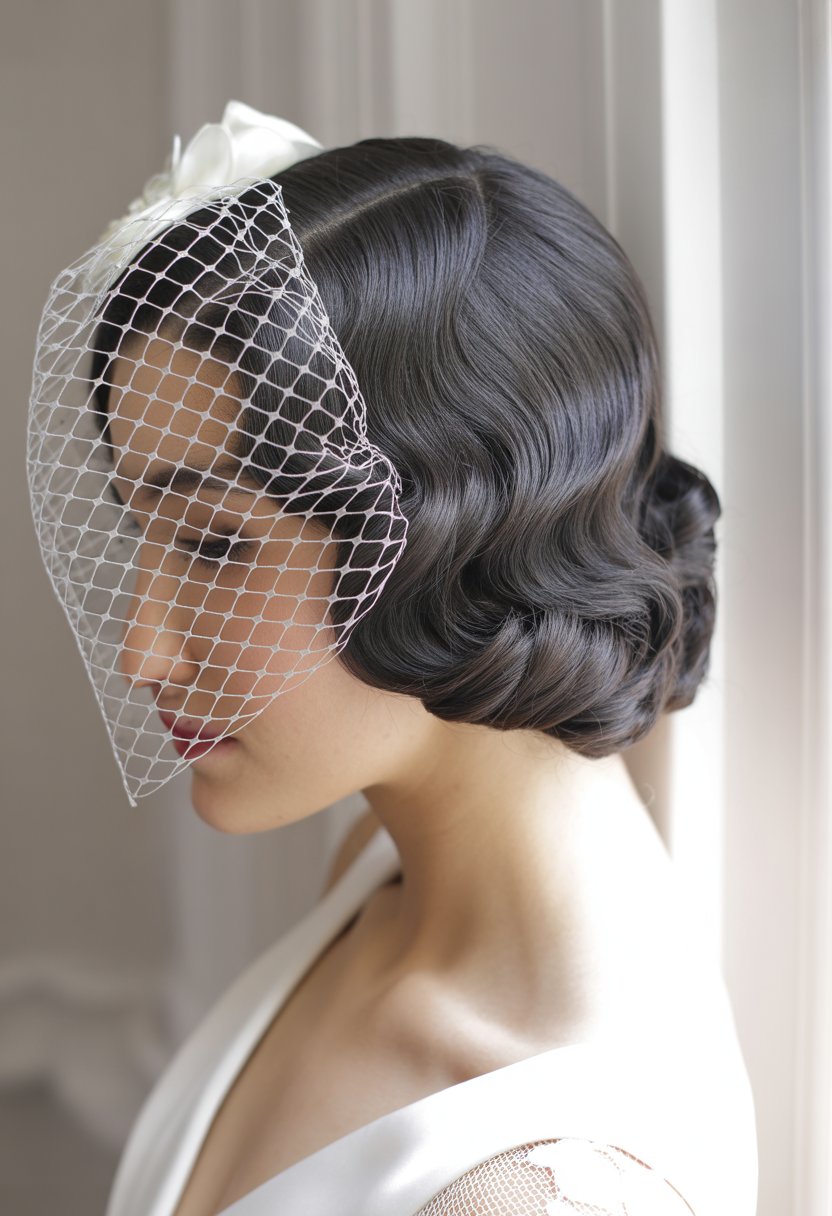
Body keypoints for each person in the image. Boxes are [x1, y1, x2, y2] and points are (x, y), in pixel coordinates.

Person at [28, 104, 758, 1215]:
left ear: (453, 534)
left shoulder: (544, 1190)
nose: (145, 649)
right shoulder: (388, 861)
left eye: (218, 543)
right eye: (144, 531)